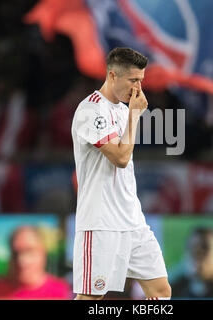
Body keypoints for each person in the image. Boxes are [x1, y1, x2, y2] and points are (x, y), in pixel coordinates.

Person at [71, 47, 171, 300]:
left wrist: (131, 114)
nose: (138, 88)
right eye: (133, 80)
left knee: (160, 291)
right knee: (91, 298)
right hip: (101, 222)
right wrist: (135, 116)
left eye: (141, 81)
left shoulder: (124, 109)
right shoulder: (90, 110)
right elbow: (120, 158)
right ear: (113, 76)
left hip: (133, 221)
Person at [0, 226, 71, 300]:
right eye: (16, 253)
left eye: (29, 251)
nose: (21, 261)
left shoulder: (63, 292)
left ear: (43, 253)